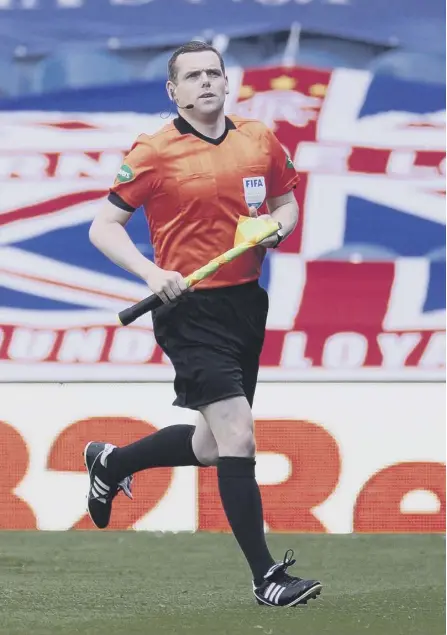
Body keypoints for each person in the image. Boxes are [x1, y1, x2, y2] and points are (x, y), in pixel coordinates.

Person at [85, 40, 322, 608]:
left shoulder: (258, 138)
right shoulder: (154, 151)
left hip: (245, 304)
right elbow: (104, 227)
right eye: (192, 77)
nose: (206, 83)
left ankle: (111, 462)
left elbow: (287, 202)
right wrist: (151, 272)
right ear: (174, 91)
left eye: (213, 73)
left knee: (213, 446)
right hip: (187, 310)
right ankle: (267, 578)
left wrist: (277, 228)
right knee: (239, 434)